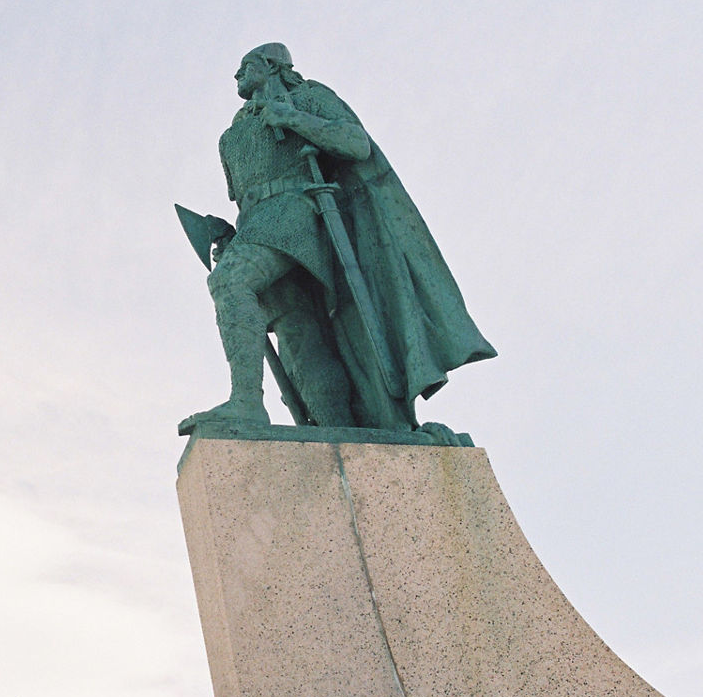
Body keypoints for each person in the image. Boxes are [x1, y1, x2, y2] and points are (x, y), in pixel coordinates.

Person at [179, 43, 496, 438]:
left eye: (246, 66)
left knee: (229, 281)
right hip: (256, 223)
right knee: (299, 337)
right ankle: (340, 429)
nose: (237, 75)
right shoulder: (231, 137)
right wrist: (231, 234)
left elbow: (354, 143)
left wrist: (293, 117)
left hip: (298, 211)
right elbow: (246, 196)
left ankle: (246, 400)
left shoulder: (308, 96)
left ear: (273, 66)